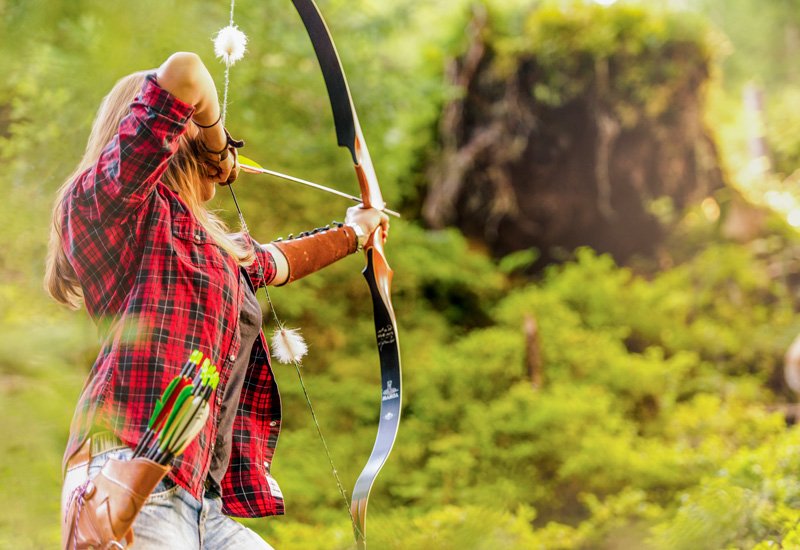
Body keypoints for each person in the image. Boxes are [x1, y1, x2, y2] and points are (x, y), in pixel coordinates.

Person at [45, 51, 388, 548]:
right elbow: (186, 72)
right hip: (127, 483)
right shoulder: (111, 207)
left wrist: (356, 232)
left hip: (203, 504)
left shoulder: (209, 248)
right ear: (177, 138)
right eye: (200, 132)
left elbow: (274, 263)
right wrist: (217, 141)